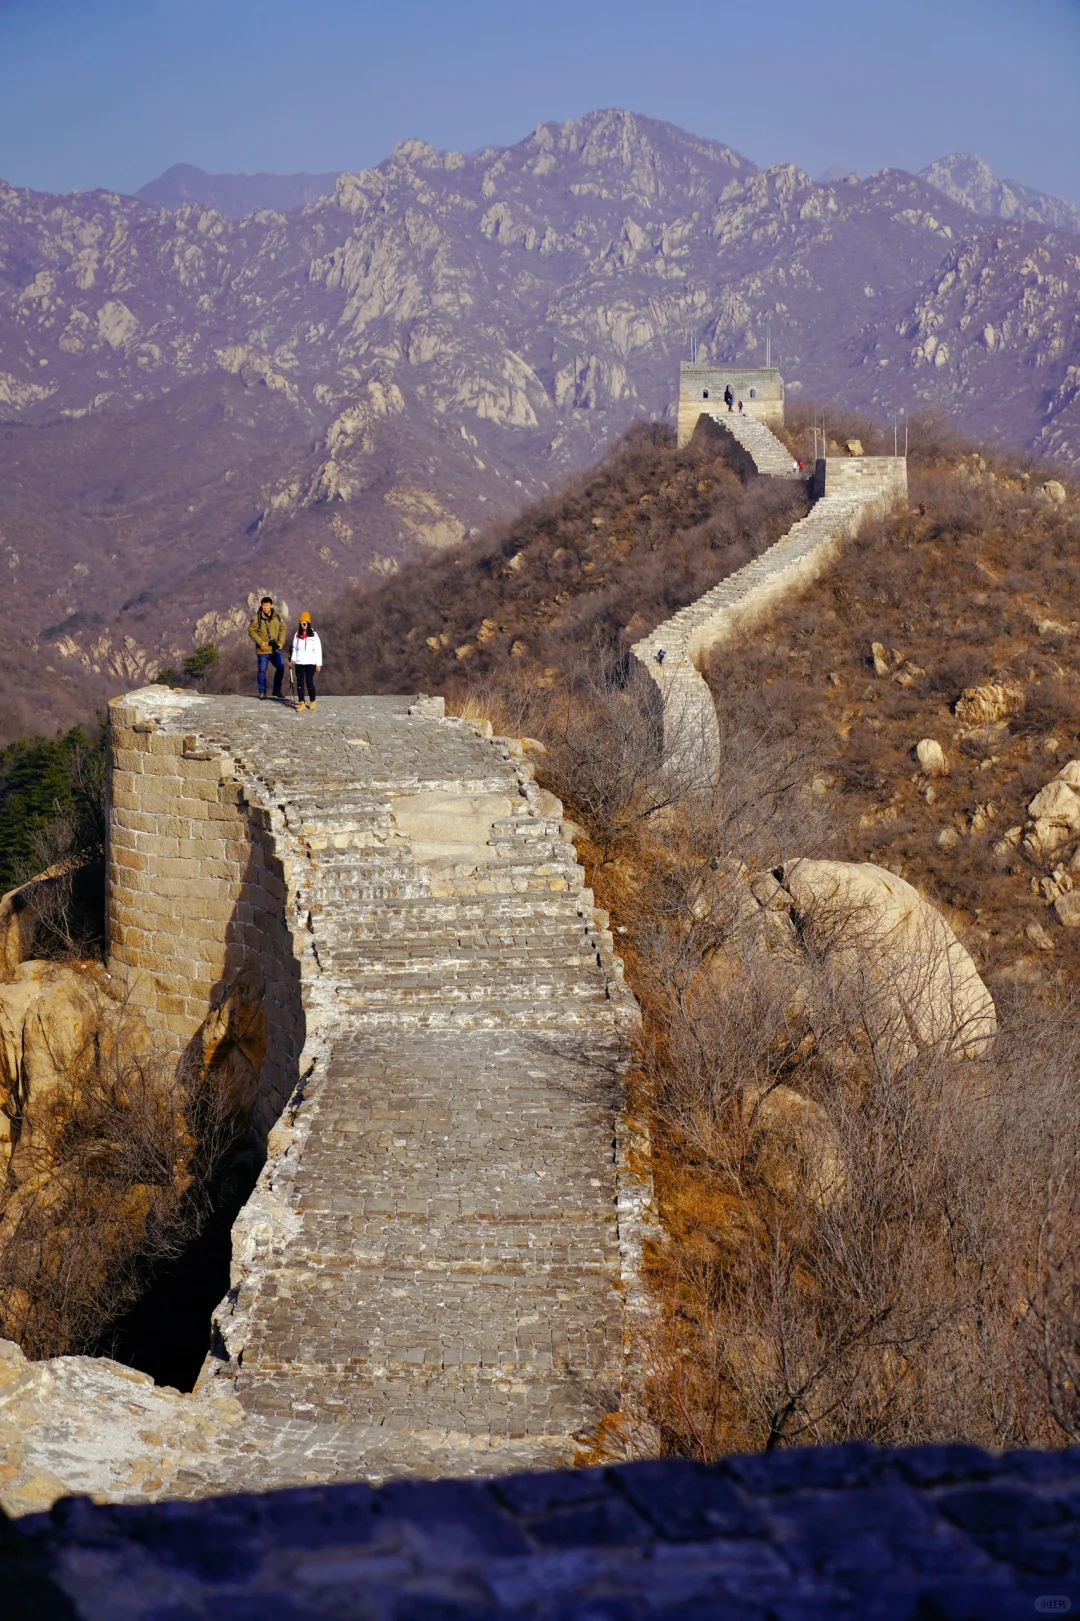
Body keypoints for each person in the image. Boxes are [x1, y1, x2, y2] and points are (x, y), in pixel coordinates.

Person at [248, 596, 287, 700]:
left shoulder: (277, 616)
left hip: (275, 648)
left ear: (271, 605)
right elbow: (251, 631)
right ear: (261, 606)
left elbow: (283, 629)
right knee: (262, 670)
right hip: (263, 649)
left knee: (281, 667)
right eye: (263, 605)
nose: (265, 607)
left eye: (267, 605)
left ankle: (277, 690)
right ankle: (262, 692)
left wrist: (281, 641)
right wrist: (260, 643)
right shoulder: (257, 618)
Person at [291, 611, 322, 711]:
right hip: (299, 662)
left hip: (310, 662)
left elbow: (318, 650)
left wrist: (318, 664)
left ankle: (312, 701)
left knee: (309, 682)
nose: (302, 626)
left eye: (304, 623)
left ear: (308, 624)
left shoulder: (314, 635)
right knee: (300, 683)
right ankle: (302, 703)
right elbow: (294, 648)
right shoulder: (297, 635)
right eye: (300, 624)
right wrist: (293, 659)